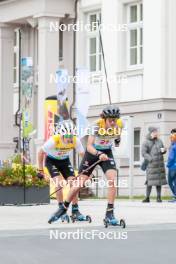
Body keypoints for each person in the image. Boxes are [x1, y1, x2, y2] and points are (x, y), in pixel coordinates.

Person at [48, 105, 123, 225]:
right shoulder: (96, 126)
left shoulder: (119, 124)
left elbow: (118, 135)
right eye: (110, 120)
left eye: (115, 119)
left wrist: (118, 140)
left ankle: (109, 213)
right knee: (79, 183)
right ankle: (63, 208)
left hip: (107, 152)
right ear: (104, 118)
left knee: (112, 180)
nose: (113, 122)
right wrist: (98, 154)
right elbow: (89, 146)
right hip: (93, 153)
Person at [37, 119, 85, 220]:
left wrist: (86, 170)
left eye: (71, 135)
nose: (70, 138)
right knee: (59, 184)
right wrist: (40, 170)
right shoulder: (54, 140)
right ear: (61, 134)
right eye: (67, 136)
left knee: (74, 184)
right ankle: (61, 209)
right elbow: (40, 152)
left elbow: (83, 156)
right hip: (51, 161)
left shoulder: (76, 141)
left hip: (64, 161)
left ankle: (75, 210)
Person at [142, 127, 167, 203]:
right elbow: (144, 153)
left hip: (159, 165)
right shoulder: (146, 142)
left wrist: (164, 150)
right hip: (151, 165)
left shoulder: (160, 141)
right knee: (149, 181)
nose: (156, 133)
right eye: (155, 132)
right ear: (151, 133)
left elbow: (162, 150)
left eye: (157, 131)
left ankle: (159, 197)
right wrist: (150, 159)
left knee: (159, 182)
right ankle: (147, 197)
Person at [167, 128, 176, 201]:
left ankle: (175, 196)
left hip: (173, 166)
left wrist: (168, 164)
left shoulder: (173, 146)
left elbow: (171, 157)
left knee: (171, 181)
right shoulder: (172, 145)